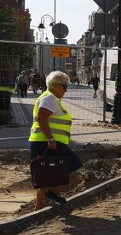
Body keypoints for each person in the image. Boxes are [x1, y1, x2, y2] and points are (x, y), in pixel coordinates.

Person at [29, 71, 83, 210]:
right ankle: (49, 196)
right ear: (55, 85)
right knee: (70, 163)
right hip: (46, 142)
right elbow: (42, 118)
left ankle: (47, 203)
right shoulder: (50, 98)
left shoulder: (52, 98)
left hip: (46, 142)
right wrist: (50, 139)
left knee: (55, 171)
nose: (66, 90)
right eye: (64, 87)